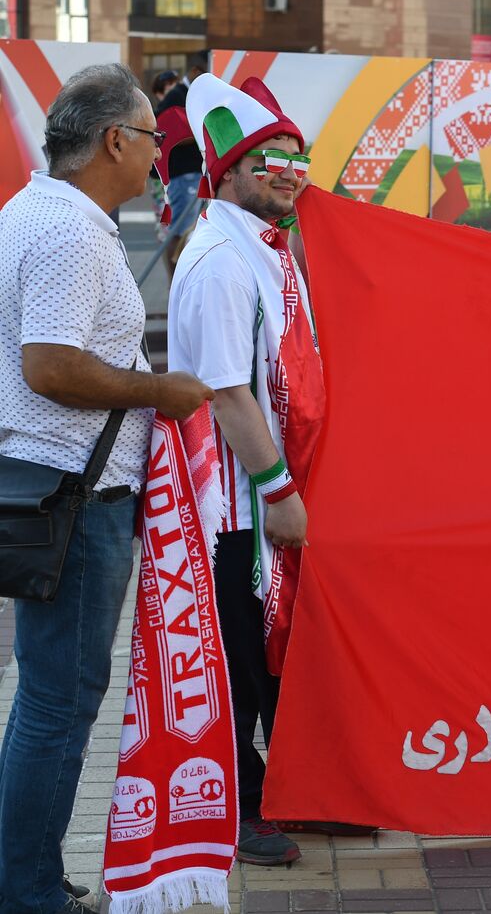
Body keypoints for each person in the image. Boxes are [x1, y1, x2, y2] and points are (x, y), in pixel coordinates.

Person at [0, 63, 213, 913]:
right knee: (60, 703)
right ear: (115, 140)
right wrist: (163, 391)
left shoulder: (35, 211)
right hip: (75, 498)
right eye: (153, 138)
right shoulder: (72, 233)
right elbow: (50, 366)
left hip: (53, 487)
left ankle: (24, 877)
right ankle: (30, 893)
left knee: (44, 699)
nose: (161, 155)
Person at [166, 73, 326, 866]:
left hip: (262, 500)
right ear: (227, 171)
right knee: (234, 663)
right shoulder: (223, 260)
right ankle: (238, 807)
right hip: (232, 507)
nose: (290, 173)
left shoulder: (267, 245)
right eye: (272, 160)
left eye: (299, 158)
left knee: (268, 659)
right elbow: (228, 394)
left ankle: (283, 791)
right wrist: (280, 492)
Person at [155, 51, 210, 273]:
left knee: (190, 231)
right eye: (206, 74)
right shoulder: (177, 96)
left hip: (193, 174)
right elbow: (162, 133)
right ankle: (174, 283)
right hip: (182, 175)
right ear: (195, 71)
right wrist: (199, 133)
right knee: (179, 231)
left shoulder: (191, 95)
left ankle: (179, 281)